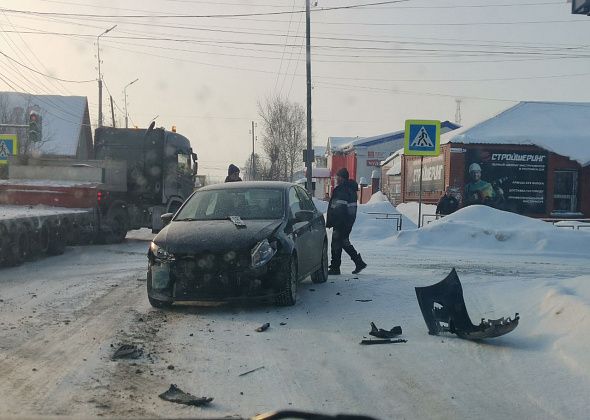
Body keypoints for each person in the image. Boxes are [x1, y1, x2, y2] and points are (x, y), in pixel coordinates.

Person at [326, 168, 367, 275]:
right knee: (343, 242)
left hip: (340, 222)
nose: (336, 179)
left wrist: (334, 221)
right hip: (348, 221)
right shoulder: (350, 189)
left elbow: (339, 208)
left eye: (337, 177)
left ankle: (335, 267)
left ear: (341, 178)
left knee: (336, 243)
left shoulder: (341, 190)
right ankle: (359, 262)